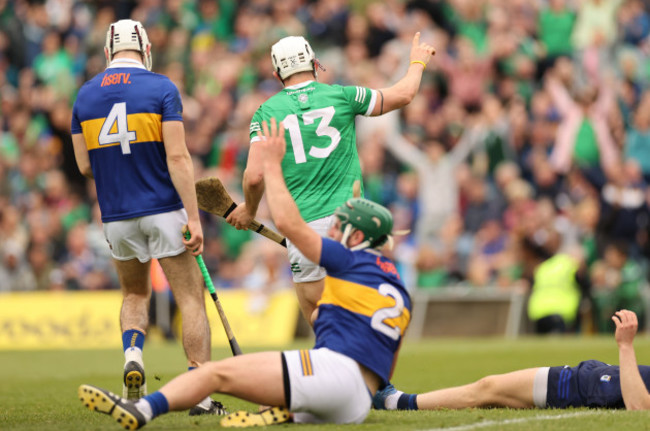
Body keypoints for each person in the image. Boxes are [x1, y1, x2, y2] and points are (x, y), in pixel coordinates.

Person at [77, 117, 411, 428]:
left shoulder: (347, 259)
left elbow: (291, 224)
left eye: (339, 227)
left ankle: (141, 409)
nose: (332, 231)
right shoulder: (397, 286)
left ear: (356, 237)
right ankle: (289, 413)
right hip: (357, 402)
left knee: (216, 374)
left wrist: (271, 166)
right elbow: (384, 363)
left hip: (333, 376)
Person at [226, 33, 435, 324]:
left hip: (303, 229)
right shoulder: (342, 96)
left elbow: (253, 176)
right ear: (315, 63)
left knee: (319, 318)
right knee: (360, 316)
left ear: (276, 74)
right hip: (350, 225)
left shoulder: (266, 112)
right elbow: (404, 94)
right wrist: (417, 62)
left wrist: (248, 209)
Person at [70, 19, 223, 415]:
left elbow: (85, 166)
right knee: (190, 299)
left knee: (134, 294)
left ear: (108, 53)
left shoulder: (84, 97)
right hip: (163, 210)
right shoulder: (161, 88)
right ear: (146, 50)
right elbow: (177, 157)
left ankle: (133, 355)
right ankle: (200, 394)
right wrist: (194, 215)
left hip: (116, 217)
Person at [373, 309, 650, 411]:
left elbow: (639, 407)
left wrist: (625, 346)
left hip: (575, 385)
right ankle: (396, 400)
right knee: (487, 390)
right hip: (593, 375)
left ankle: (396, 402)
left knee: (486, 388)